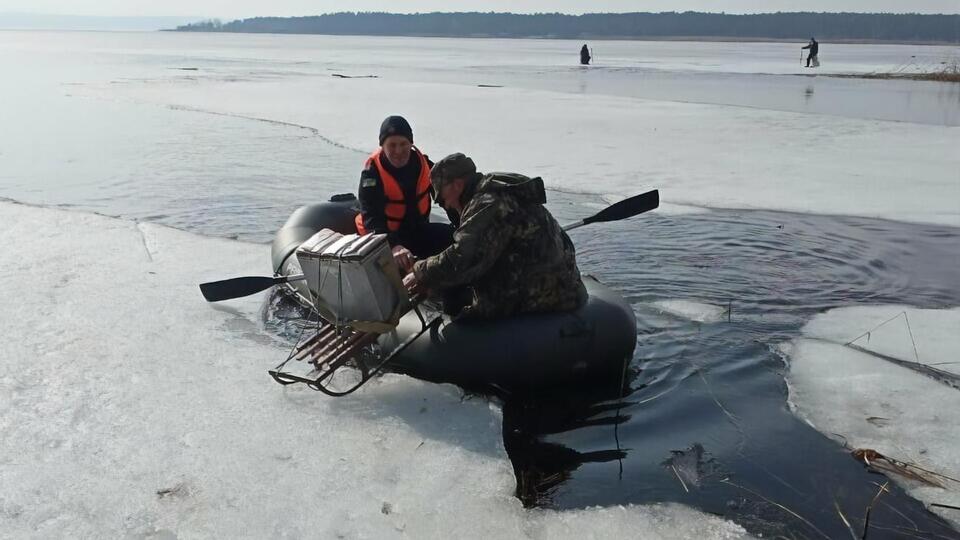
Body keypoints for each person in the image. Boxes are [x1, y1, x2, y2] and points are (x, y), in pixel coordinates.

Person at [403, 153, 587, 320]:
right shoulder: (500, 190)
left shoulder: (487, 204)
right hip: (562, 285)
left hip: (545, 297)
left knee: (452, 297)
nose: (447, 205)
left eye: (442, 198)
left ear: (457, 185)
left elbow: (463, 259)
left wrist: (420, 273)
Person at [356, 115, 454, 269]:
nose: (398, 150)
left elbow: (448, 199)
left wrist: (463, 225)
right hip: (382, 238)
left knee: (455, 238)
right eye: (392, 145)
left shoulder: (425, 166)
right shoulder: (372, 174)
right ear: (382, 145)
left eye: (403, 144)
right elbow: (371, 216)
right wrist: (393, 246)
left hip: (416, 231)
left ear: (411, 143)